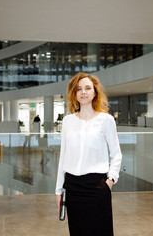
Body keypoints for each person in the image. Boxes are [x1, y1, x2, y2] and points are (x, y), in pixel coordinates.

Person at [55, 72, 122, 236]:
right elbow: (63, 156)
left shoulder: (106, 120)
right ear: (74, 93)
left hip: (97, 186)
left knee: (100, 231)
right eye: (79, 89)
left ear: (95, 92)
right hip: (73, 187)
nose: (83, 92)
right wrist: (58, 190)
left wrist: (111, 180)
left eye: (87, 88)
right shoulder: (68, 121)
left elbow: (116, 154)